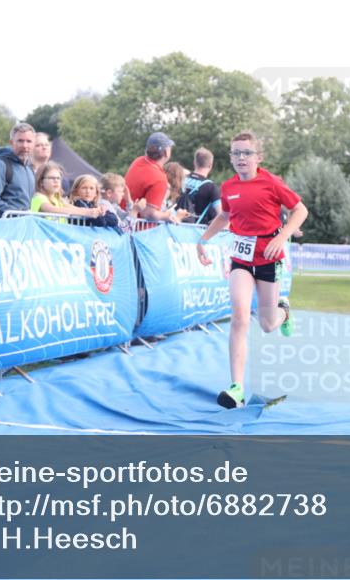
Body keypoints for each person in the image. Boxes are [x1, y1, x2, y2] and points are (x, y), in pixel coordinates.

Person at [196, 130, 308, 409]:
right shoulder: (229, 186)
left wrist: (282, 237)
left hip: (269, 257)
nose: (241, 158)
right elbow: (225, 215)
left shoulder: (271, 183)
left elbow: (300, 211)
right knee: (240, 317)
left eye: (247, 153)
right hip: (241, 260)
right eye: (236, 153)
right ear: (231, 157)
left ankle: (284, 312)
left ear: (259, 157)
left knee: (269, 324)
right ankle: (236, 388)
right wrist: (203, 239)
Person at [0, 122, 37, 217]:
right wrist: (17, 214)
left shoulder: (29, 168)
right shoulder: (0, 165)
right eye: (20, 141)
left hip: (21, 226)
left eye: (29, 141)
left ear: (34, 144)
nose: (25, 145)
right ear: (11, 143)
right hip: (2, 227)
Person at [124, 131, 182, 223]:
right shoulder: (159, 179)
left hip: (123, 220)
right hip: (138, 231)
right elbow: (149, 214)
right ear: (166, 152)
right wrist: (167, 216)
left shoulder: (138, 161)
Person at [30, 162, 107, 221]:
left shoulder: (58, 198)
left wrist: (96, 210)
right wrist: (88, 213)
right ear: (41, 182)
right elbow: (52, 210)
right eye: (52, 178)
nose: (56, 181)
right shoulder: (38, 197)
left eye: (58, 178)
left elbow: (74, 209)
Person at [182, 147, 223, 224]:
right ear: (210, 165)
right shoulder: (211, 187)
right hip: (197, 229)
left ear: (194, 162)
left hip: (176, 226)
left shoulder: (182, 179)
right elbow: (221, 214)